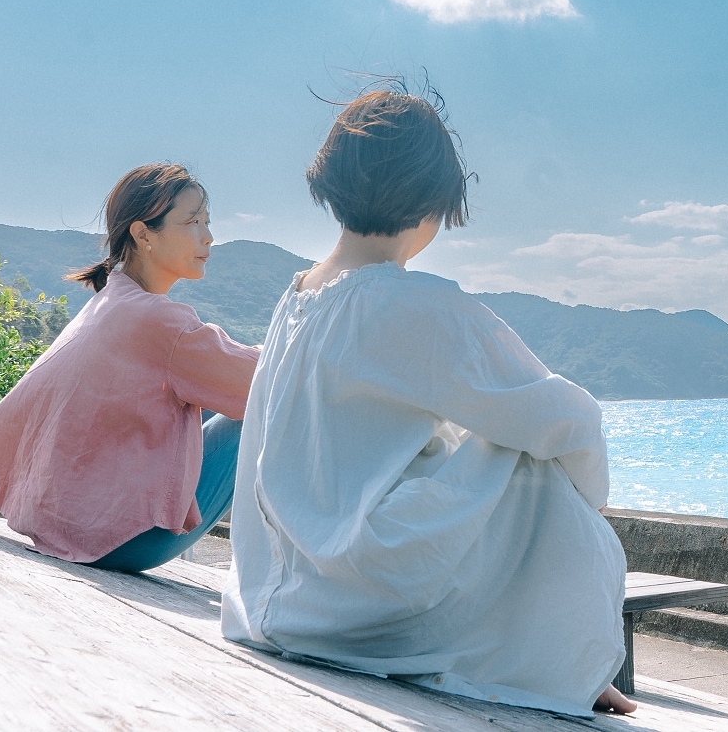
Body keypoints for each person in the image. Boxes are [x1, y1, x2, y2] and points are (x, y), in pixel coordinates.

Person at [221, 88, 631, 717]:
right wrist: (591, 497)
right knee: (529, 458)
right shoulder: (410, 304)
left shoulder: (295, 300)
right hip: (365, 599)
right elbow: (567, 419)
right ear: (431, 202)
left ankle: (552, 657)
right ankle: (559, 661)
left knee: (492, 441)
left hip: (288, 598)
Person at [0, 164, 259, 572]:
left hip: (67, 524)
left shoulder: (110, 302)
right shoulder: (159, 322)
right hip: (122, 539)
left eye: (207, 221)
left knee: (212, 403)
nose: (208, 237)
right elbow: (262, 381)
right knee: (260, 408)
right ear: (143, 233)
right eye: (192, 222)